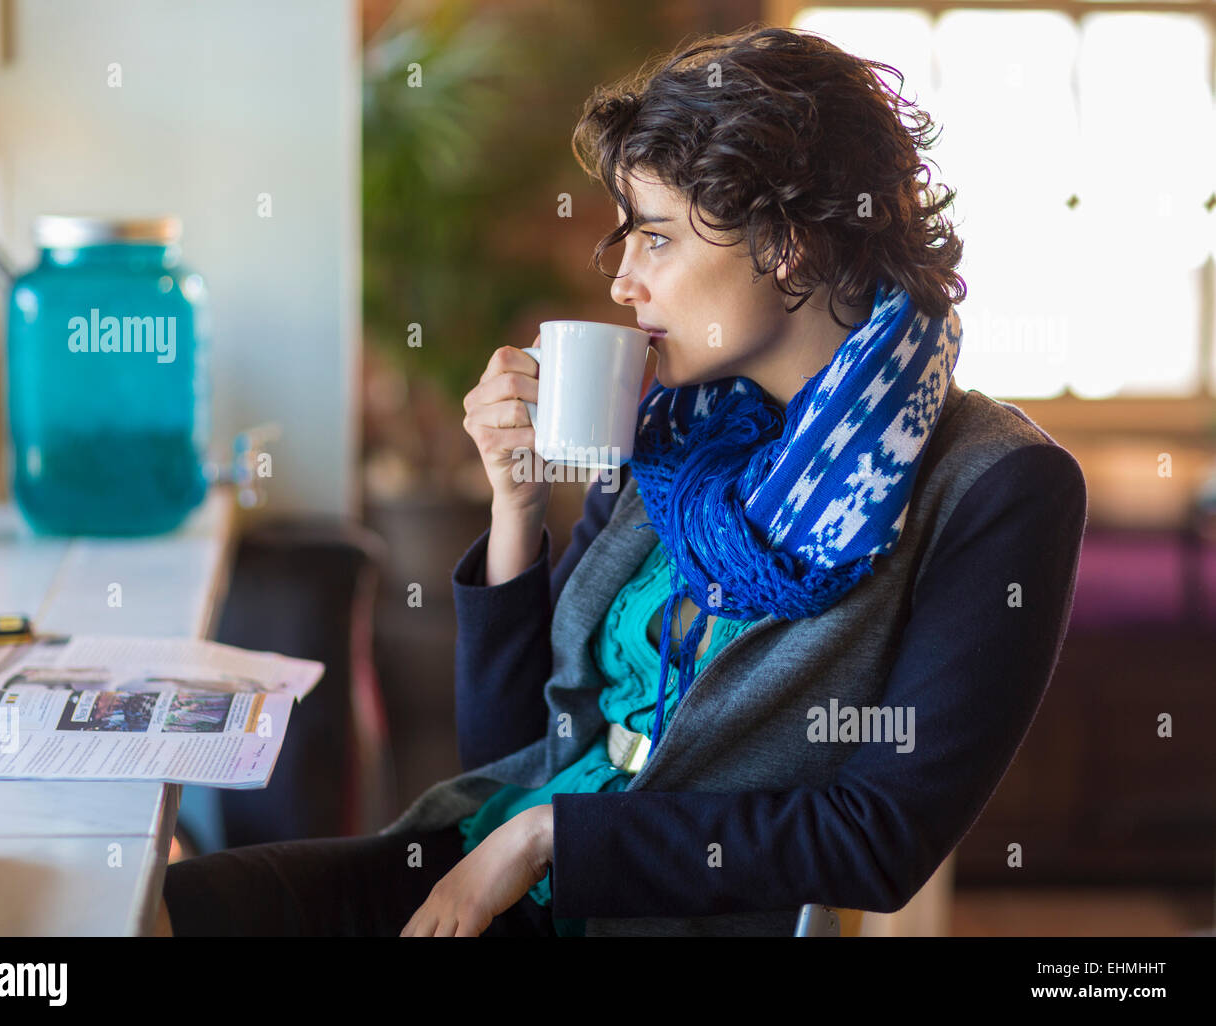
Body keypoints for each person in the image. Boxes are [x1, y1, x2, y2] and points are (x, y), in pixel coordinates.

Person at [159, 25, 1087, 938]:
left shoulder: (998, 486)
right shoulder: (683, 436)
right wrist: (517, 507)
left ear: (788, 246)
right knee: (173, 906)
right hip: (502, 857)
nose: (622, 284)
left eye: (655, 239)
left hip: (648, 908)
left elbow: (881, 836)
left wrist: (552, 838)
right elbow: (516, 750)